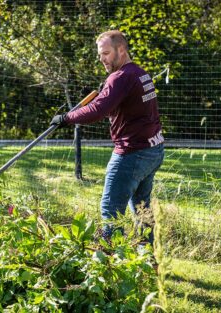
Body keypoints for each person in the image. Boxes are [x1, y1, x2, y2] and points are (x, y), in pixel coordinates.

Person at [51, 30, 164, 244]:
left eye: (106, 53)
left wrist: (67, 118)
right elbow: (111, 103)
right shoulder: (139, 73)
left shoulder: (121, 77)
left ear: (121, 50)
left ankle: (110, 263)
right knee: (142, 209)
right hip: (153, 150)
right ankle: (148, 261)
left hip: (132, 153)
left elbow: (98, 111)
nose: (102, 59)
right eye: (100, 54)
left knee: (110, 210)